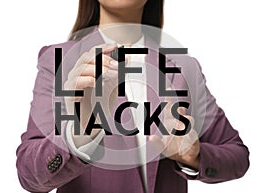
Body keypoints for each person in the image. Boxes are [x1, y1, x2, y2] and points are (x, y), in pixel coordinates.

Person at [16, 0, 250, 193]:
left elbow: (237, 155)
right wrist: (82, 131)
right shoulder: (59, 61)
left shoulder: (183, 67)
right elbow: (29, 176)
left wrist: (193, 154)